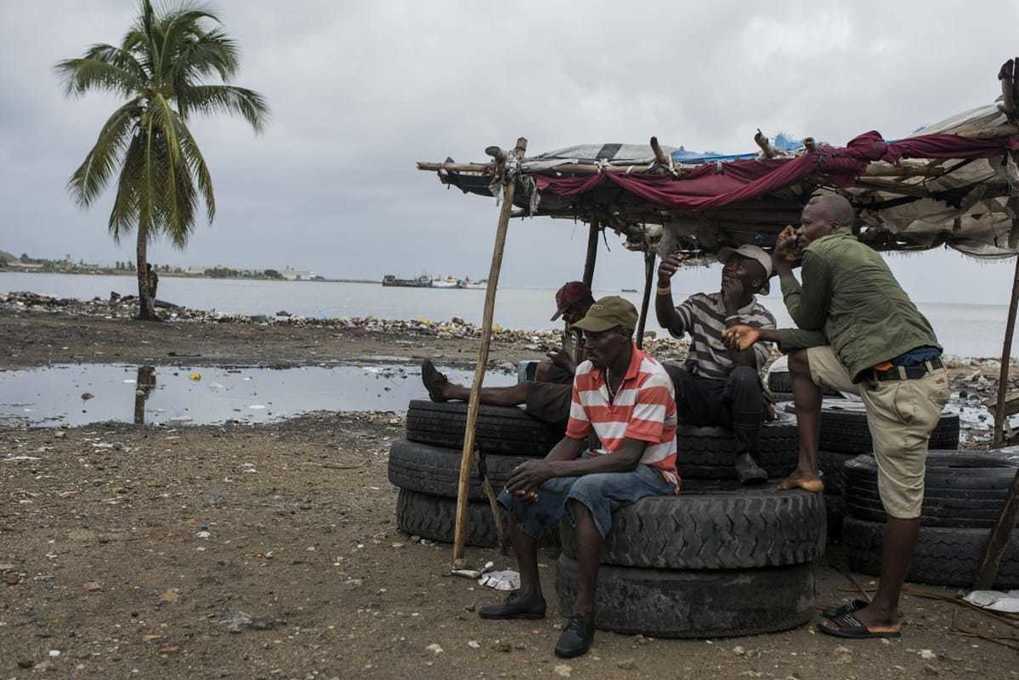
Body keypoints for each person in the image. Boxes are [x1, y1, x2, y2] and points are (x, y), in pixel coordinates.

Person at [724, 191, 950, 640]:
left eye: (807, 222)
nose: (799, 229)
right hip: (879, 369)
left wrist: (784, 265)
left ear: (829, 224)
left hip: (902, 386)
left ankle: (885, 611)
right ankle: (808, 469)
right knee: (803, 361)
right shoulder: (853, 251)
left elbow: (806, 315)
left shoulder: (824, 252)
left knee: (901, 504)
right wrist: (764, 331)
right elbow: (815, 334)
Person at [478, 296, 678, 658]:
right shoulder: (586, 374)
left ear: (622, 335)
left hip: (651, 472)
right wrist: (536, 475)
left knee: (587, 490)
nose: (587, 343)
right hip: (606, 461)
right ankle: (529, 595)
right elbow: (573, 439)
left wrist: (551, 470)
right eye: (584, 335)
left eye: (597, 336)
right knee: (520, 485)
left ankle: (583, 615)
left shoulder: (654, 379)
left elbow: (629, 458)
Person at [655, 244, 776, 484]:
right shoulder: (701, 302)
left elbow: (744, 362)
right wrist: (664, 283)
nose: (728, 269)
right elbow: (670, 322)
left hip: (734, 402)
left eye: (739, 266)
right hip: (700, 392)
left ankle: (746, 456)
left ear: (755, 282)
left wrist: (731, 310)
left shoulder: (763, 319)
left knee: (744, 376)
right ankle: (654, 447)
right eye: (729, 263)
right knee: (664, 371)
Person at [420, 281, 595, 429]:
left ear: (581, 306)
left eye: (568, 312)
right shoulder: (585, 330)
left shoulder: (603, 332)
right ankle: (546, 411)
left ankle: (450, 391)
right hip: (587, 383)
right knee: (544, 369)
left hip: (596, 393)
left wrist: (570, 365)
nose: (566, 319)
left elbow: (601, 378)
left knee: (525, 390)